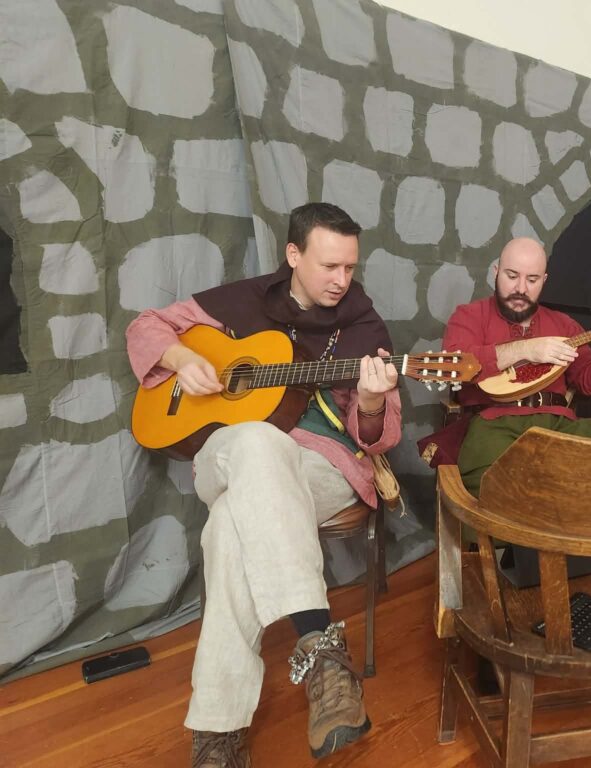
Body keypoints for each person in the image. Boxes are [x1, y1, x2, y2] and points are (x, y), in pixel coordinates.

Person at [126, 203, 400, 767]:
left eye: (350, 268)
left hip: (322, 467)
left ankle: (217, 731)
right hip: (228, 457)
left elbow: (377, 439)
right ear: (293, 255)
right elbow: (144, 325)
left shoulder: (364, 328)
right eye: (328, 266)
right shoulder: (245, 299)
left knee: (230, 526)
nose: (341, 281)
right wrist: (180, 359)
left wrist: (370, 402)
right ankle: (323, 651)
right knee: (255, 439)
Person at [438, 237, 591, 495]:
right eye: (512, 276)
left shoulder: (563, 325)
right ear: (496, 273)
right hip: (492, 424)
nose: (521, 288)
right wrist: (527, 349)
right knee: (504, 493)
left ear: (544, 281)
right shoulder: (469, 316)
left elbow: (590, 381)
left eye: (532, 280)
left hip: (557, 426)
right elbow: (453, 366)